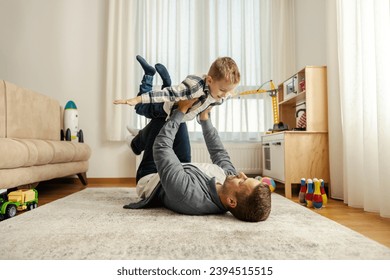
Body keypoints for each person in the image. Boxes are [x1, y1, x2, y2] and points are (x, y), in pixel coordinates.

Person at [124, 99, 272, 222]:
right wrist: (205, 118)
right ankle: (143, 136)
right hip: (182, 168)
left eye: (242, 182)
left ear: (232, 202)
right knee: (180, 120)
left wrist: (180, 111)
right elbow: (219, 153)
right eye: (247, 177)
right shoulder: (229, 183)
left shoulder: (187, 194)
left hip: (152, 176)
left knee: (164, 118)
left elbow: (161, 147)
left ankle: (137, 142)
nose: (241, 174)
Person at [113, 55, 241, 123]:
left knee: (172, 93)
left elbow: (228, 94)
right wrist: (136, 99)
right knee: (140, 109)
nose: (225, 95)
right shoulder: (195, 88)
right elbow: (168, 94)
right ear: (209, 80)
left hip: (178, 114)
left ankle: (167, 82)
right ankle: (149, 75)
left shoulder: (220, 93)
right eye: (223, 90)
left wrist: (233, 93)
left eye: (228, 91)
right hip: (164, 109)